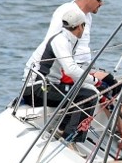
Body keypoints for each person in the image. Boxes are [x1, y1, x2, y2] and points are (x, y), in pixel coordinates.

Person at [25, 0, 122, 136]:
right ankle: (115, 136)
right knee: (105, 88)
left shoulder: (86, 16)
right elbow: (53, 49)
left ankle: (119, 134)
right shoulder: (67, 15)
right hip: (66, 72)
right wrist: (92, 78)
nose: (101, 3)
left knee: (120, 89)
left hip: (77, 70)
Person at [23, 9, 105, 151]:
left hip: (48, 86)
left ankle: (62, 128)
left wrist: (91, 84)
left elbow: (71, 72)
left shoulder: (68, 39)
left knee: (86, 92)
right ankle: (70, 138)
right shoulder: (61, 41)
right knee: (88, 96)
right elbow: (71, 70)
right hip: (37, 90)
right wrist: (95, 81)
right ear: (80, 26)